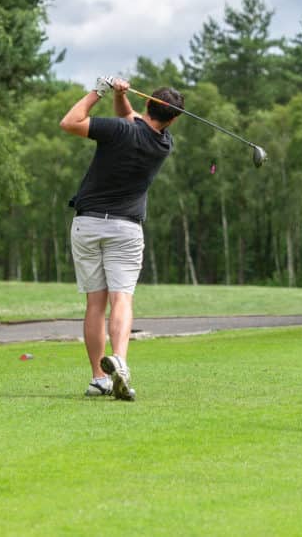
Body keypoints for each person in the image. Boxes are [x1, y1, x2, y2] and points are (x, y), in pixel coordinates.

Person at [59, 76, 183, 401]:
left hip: (88, 225)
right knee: (122, 298)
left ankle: (99, 378)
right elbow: (132, 121)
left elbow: (70, 122)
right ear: (172, 119)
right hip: (126, 229)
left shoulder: (119, 131)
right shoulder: (163, 144)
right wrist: (119, 96)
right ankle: (122, 363)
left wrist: (99, 91)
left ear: (147, 104)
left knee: (95, 304)